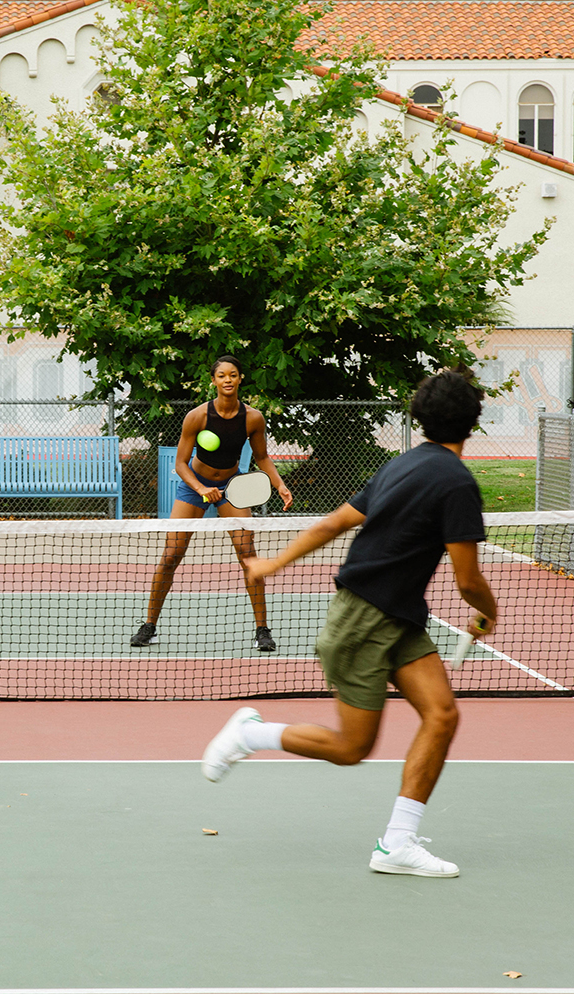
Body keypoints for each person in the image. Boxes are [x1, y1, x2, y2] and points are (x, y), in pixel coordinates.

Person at [199, 367, 498, 878]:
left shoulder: (402, 465)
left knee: (442, 715)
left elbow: (334, 522)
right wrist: (487, 610)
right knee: (351, 748)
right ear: (472, 422)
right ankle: (252, 734)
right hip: (363, 620)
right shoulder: (457, 485)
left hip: (399, 618)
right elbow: (468, 580)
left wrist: (273, 563)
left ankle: (397, 844)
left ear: (422, 418)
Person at [132, 355, 293, 652]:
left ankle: (262, 630)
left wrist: (279, 484)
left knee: (247, 554)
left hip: (232, 488)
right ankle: (149, 625)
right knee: (171, 555)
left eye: (233, 374)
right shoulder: (197, 416)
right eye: (222, 375)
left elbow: (262, 458)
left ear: (240, 378)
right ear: (214, 380)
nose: (228, 380)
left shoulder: (254, 418)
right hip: (195, 486)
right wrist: (202, 488)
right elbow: (181, 463)